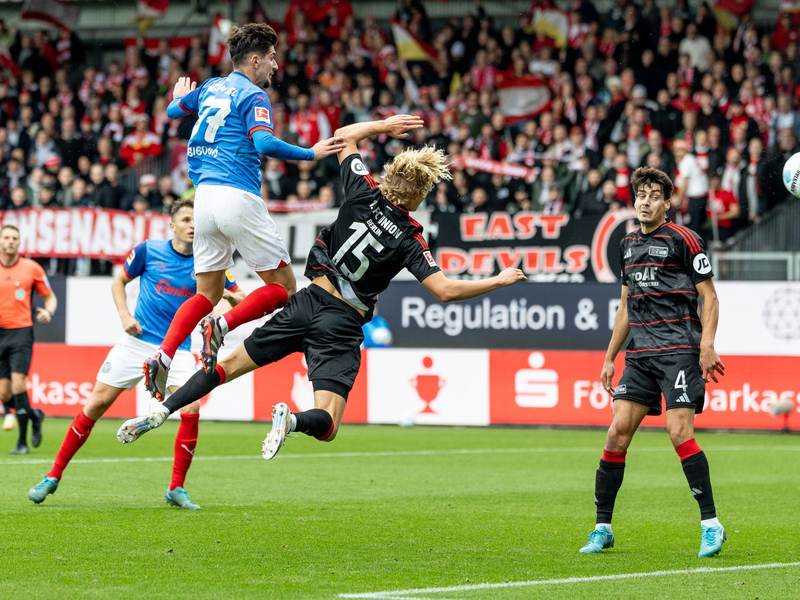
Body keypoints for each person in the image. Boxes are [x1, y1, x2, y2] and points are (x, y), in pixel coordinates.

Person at [116, 115, 526, 459]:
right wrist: (501, 279)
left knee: (225, 368)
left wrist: (384, 125)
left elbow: (344, 137)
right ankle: (291, 420)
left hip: (307, 300)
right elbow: (446, 291)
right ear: (418, 193)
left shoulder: (362, 190)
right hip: (342, 324)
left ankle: (162, 411)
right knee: (327, 423)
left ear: (388, 178)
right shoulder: (411, 238)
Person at [145, 23, 346, 402]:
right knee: (284, 288)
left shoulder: (209, 87)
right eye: (271, 57)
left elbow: (174, 111)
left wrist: (177, 97)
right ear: (255, 60)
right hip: (237, 195)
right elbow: (264, 142)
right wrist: (311, 153)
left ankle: (163, 354)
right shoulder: (253, 95)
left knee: (206, 292)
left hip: (202, 199)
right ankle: (221, 325)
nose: (275, 64)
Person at [28, 200, 245, 507]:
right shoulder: (148, 250)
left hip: (179, 349)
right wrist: (124, 316)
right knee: (96, 403)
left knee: (192, 408)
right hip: (137, 343)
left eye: (195, 220)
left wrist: (219, 308)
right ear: (172, 226)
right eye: (185, 219)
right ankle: (53, 475)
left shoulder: (211, 262)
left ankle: (176, 488)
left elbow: (240, 298)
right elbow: (119, 282)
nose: (192, 225)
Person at [579, 167, 727, 559]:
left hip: (679, 349)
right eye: (640, 194)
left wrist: (707, 345)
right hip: (640, 354)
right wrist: (610, 356)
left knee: (678, 432)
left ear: (666, 202)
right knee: (616, 435)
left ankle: (711, 525)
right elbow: (626, 306)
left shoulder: (685, 240)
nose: (645, 201)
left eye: (653, 195)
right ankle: (602, 528)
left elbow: (709, 298)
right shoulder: (627, 244)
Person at [0, 225, 58, 454]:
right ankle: (35, 415)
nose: (10, 241)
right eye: (6, 237)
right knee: (4, 394)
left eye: (14, 238)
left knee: (18, 385)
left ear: (19, 242)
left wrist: (49, 312)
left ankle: (22, 442)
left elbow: (50, 297)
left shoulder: (31, 268)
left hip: (21, 333)